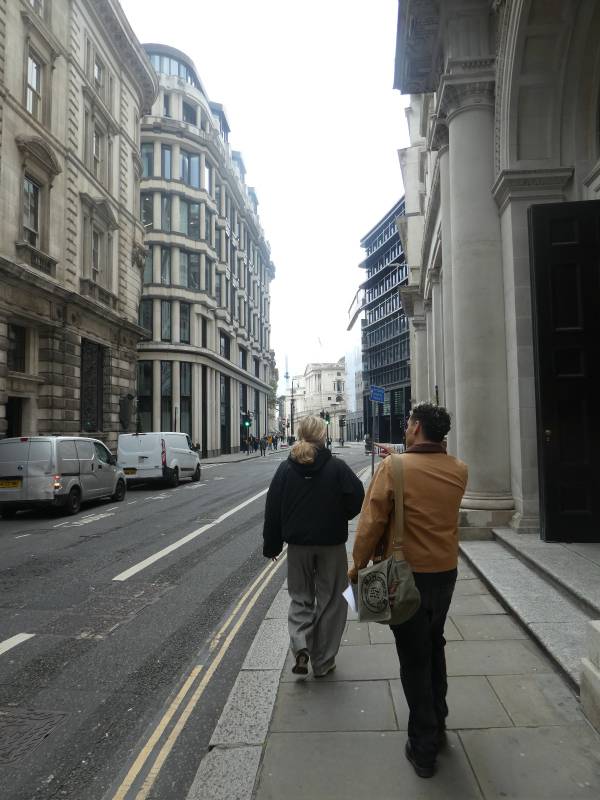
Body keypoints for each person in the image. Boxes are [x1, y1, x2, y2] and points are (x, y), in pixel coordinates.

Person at [349, 403, 467, 779]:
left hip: (407, 578)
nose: (405, 429)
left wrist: (357, 566)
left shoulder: (393, 467)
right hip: (445, 573)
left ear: (416, 427)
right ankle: (440, 717)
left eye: (408, 424)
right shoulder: (459, 470)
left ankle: (424, 746)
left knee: (414, 658)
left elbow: (370, 522)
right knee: (435, 643)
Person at [263, 415, 365, 677]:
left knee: (300, 598)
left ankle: (300, 648)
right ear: (322, 436)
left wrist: (272, 546)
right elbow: (357, 497)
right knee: (333, 601)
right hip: (331, 545)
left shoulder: (286, 469)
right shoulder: (337, 467)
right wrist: (341, 515)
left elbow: (273, 509)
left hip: (298, 547)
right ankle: (323, 662)